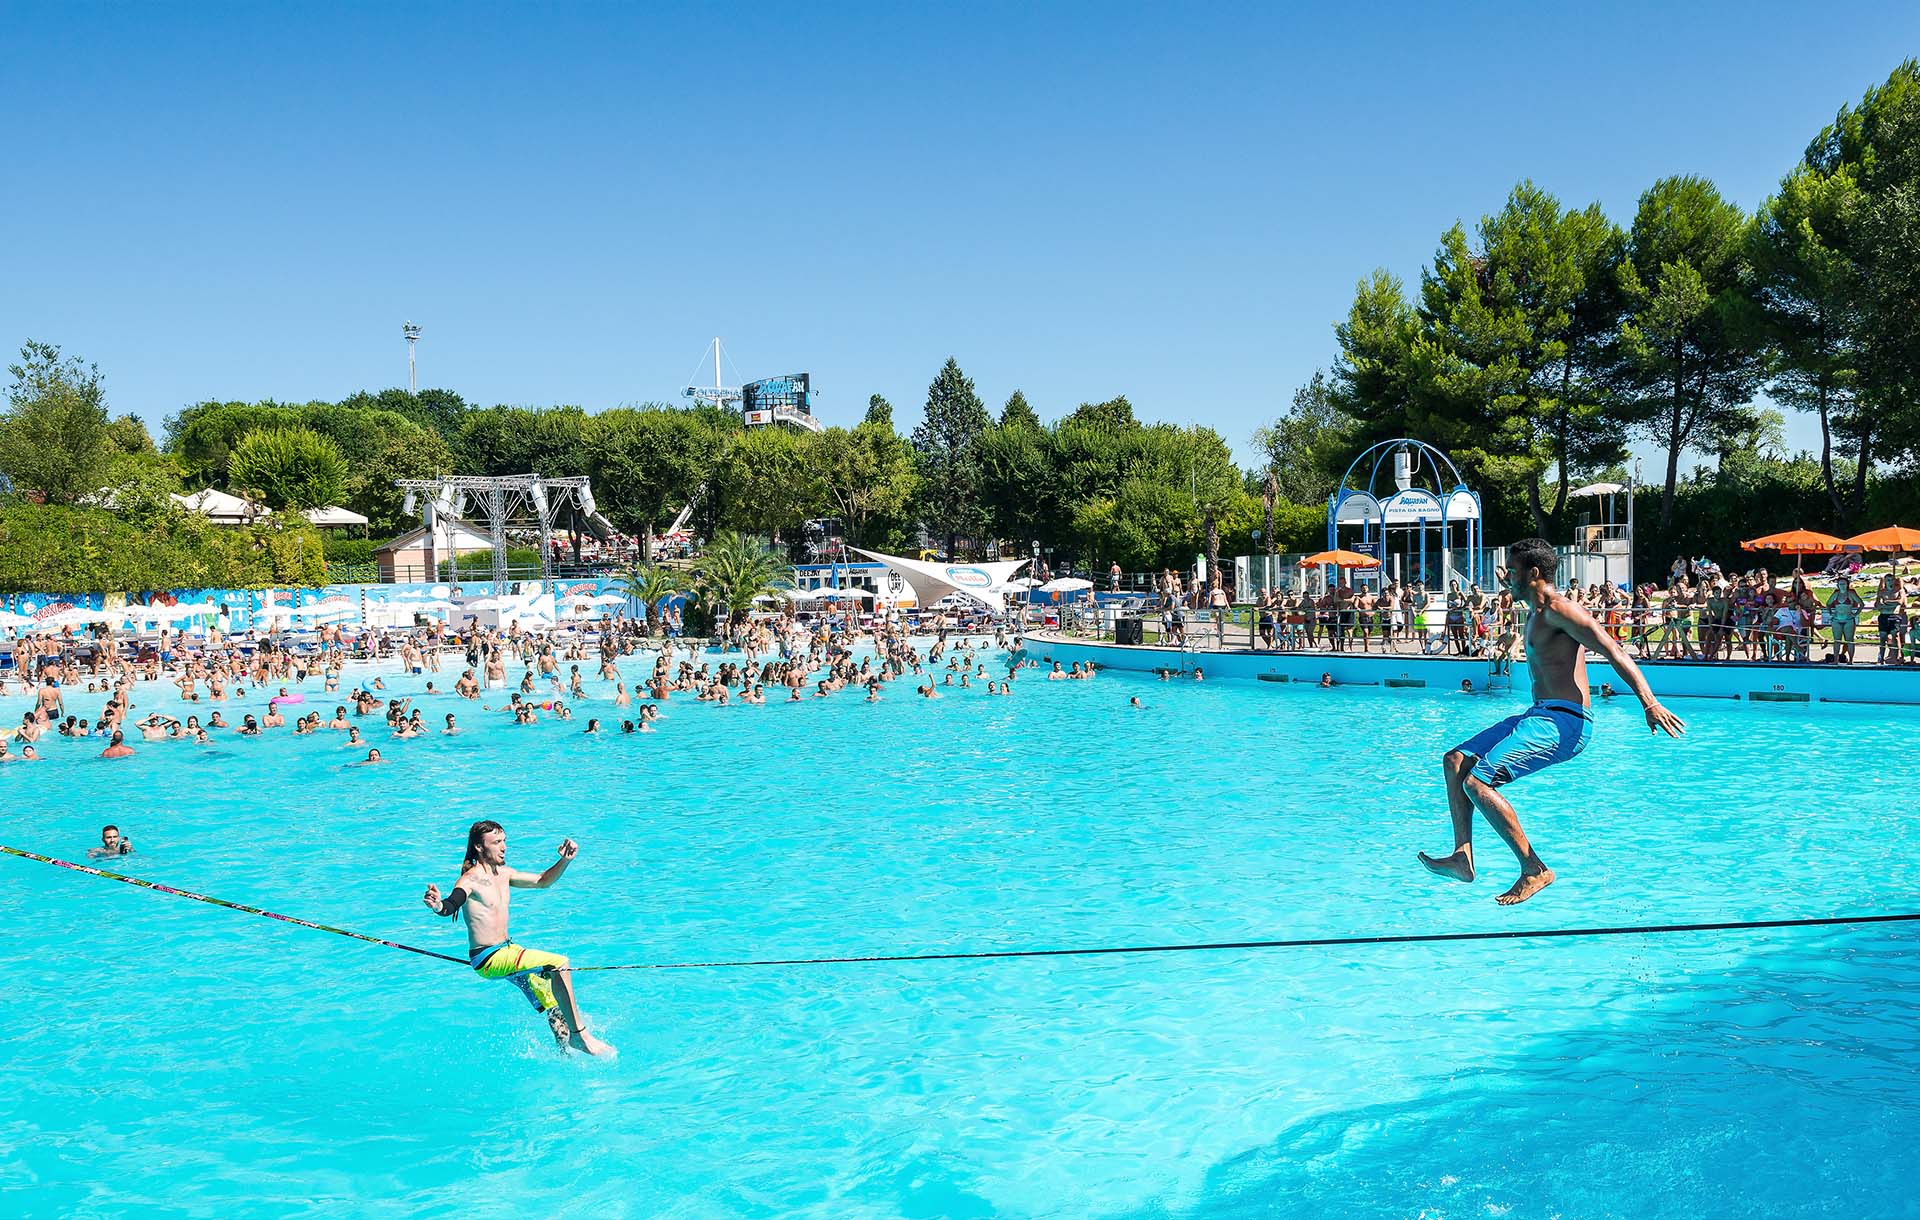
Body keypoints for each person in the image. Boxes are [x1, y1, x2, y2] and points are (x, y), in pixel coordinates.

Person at [1419, 538, 1684, 905]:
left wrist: (1649, 701)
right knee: (1455, 762)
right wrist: (1514, 581)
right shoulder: (1533, 608)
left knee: (1478, 783)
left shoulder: (1561, 610)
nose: (1506, 578)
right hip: (1540, 713)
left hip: (1567, 721)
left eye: (1512, 572)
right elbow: (1518, 590)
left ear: (1534, 573)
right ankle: (1462, 856)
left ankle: (1534, 869)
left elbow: (1613, 649)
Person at [422, 821, 615, 1057]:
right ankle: (580, 1035)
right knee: (559, 964)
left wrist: (564, 861)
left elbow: (543, 881)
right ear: (479, 848)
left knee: (553, 1001)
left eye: (504, 841)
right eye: (496, 842)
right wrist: (438, 905)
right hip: (489, 958)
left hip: (508, 951)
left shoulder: (505, 873)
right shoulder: (470, 880)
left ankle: (566, 1054)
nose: (503, 847)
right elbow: (451, 904)